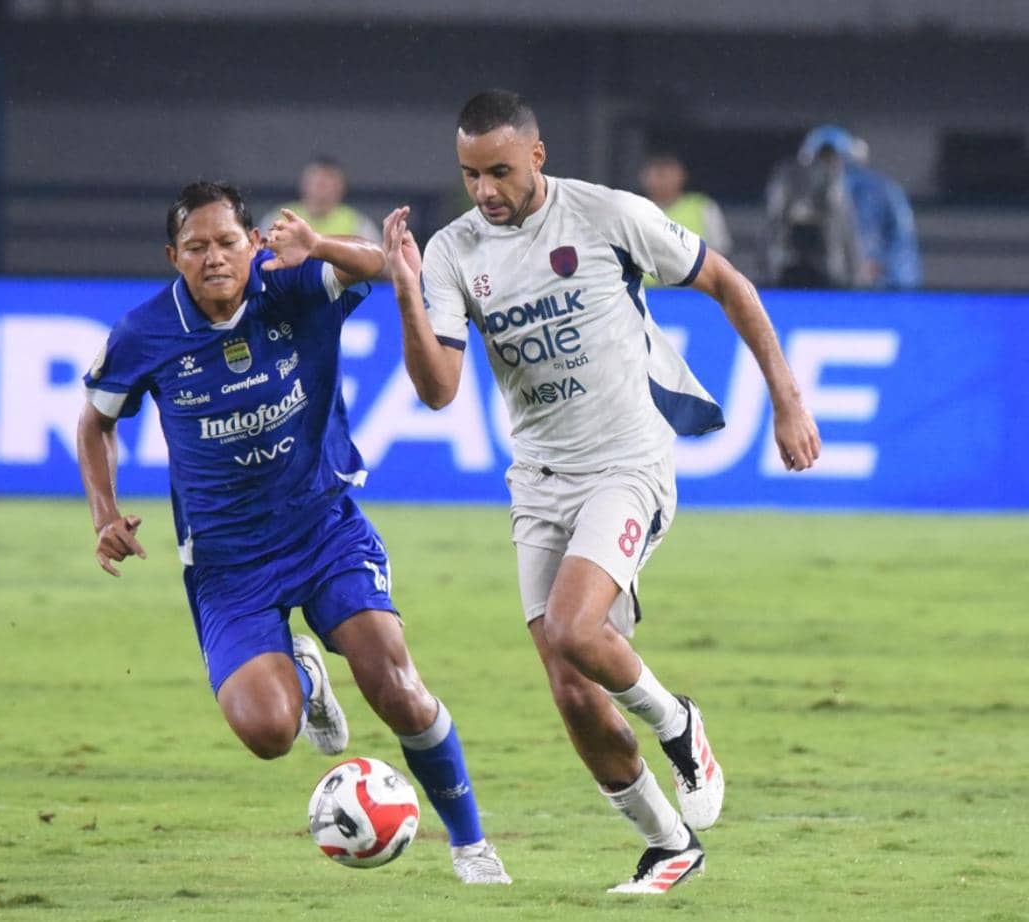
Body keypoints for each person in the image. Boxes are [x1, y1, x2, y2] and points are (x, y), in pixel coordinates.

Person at [382, 90, 821, 895]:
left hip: (628, 465)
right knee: (571, 690)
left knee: (576, 628)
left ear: (537, 155)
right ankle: (669, 845)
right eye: (471, 174)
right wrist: (408, 291)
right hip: (538, 481)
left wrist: (788, 401)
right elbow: (439, 390)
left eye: (500, 171)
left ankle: (678, 723)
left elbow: (728, 283)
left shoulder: (606, 215)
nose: (485, 190)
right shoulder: (451, 251)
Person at [77, 181, 511, 885]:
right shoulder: (143, 334)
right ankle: (303, 674)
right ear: (173, 256)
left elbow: (383, 263)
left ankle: (472, 846)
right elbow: (96, 420)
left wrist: (318, 245)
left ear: (253, 243)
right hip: (229, 566)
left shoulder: (292, 282)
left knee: (396, 686)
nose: (214, 258)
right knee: (269, 733)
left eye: (227, 242)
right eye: (196, 247)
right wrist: (104, 513)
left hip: (322, 528)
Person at [797, 125, 921, 289]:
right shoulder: (810, 195)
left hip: (886, 285)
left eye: (832, 157)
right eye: (821, 159)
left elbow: (902, 238)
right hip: (838, 283)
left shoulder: (882, 191)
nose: (827, 164)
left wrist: (879, 264)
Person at [762, 136, 864, 289]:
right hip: (796, 261)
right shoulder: (794, 188)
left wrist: (854, 271)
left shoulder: (837, 194)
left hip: (827, 264)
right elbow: (774, 226)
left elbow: (846, 233)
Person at [261, 156, 381, 243]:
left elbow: (377, 261)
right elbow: (260, 256)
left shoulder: (357, 223)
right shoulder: (278, 218)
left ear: (342, 188)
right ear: (304, 184)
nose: (323, 190)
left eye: (329, 184)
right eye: (319, 183)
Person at [639, 152, 733, 259]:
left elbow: (720, 251)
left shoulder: (702, 206)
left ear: (682, 176)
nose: (664, 181)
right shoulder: (633, 209)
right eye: (659, 174)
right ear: (643, 177)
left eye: (670, 174)